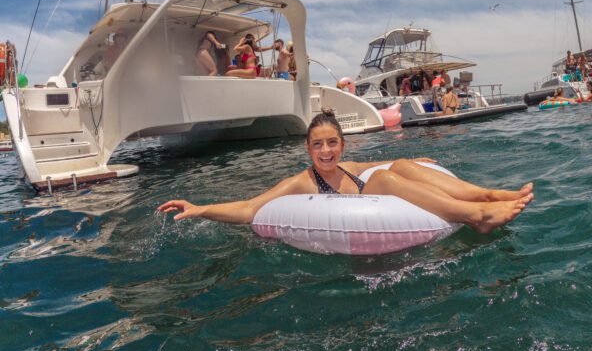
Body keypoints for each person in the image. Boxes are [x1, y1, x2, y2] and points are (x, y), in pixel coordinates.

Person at [158, 110, 534, 233]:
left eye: (332, 143)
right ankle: (476, 216)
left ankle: (491, 194)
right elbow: (249, 208)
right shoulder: (301, 181)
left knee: (397, 167)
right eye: (318, 144)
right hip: (359, 229)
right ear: (308, 149)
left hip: (392, 197)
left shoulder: (351, 166)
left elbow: (378, 164)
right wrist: (201, 208)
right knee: (385, 180)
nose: (326, 151)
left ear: (342, 144)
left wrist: (419, 161)